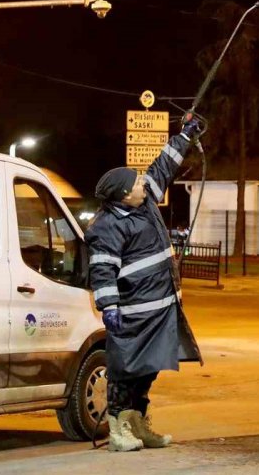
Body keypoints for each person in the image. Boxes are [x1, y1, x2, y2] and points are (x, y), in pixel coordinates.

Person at [86, 115, 204, 451]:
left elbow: (164, 164)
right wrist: (109, 307)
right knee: (125, 371)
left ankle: (138, 424)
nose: (144, 183)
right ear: (124, 196)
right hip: (133, 313)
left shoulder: (145, 199)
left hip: (161, 308)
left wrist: (185, 134)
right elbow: (102, 269)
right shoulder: (107, 226)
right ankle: (118, 430)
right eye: (137, 183)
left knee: (147, 370)